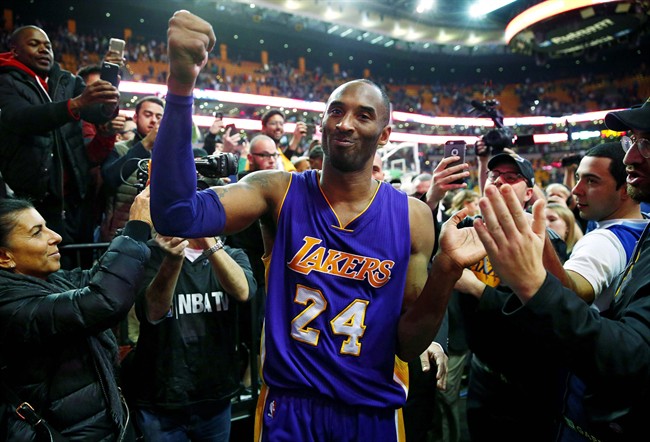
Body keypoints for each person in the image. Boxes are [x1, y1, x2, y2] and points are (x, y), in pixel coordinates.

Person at [149, 11, 484, 441]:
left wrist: (445, 272)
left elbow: (407, 343)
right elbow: (176, 214)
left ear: (384, 135)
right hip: (290, 408)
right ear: (322, 123)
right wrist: (180, 86)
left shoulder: (413, 216)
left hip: (372, 413)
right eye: (336, 111)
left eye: (363, 115)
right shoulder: (276, 190)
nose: (345, 123)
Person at [470, 97, 650, 441]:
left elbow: (569, 293)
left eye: (591, 181)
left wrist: (533, 276)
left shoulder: (606, 241)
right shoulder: (640, 229)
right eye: (578, 178)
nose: (576, 191)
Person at [0, 191, 152, 441]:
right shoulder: (8, 306)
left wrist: (146, 232)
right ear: (4, 256)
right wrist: (136, 230)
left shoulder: (48, 281)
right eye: (37, 232)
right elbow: (102, 301)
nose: (56, 237)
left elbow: (100, 279)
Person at [0, 25, 120, 265]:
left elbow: (97, 111)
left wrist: (109, 94)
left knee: (82, 264)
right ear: (14, 50)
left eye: (48, 45)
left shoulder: (66, 80)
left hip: (76, 196)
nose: (44, 50)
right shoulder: (5, 81)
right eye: (34, 44)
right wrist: (74, 105)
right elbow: (21, 118)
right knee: (45, 270)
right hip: (34, 200)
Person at [129, 217, 256, 441]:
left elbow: (243, 291)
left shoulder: (233, 255)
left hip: (215, 398)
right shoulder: (150, 255)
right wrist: (173, 259)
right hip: (162, 400)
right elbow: (153, 311)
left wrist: (208, 240)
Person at [100, 95, 164, 241]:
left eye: (159, 117)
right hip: (121, 234)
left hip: (157, 237)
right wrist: (146, 144)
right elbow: (110, 179)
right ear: (135, 118)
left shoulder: (169, 154)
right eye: (147, 115)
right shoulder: (119, 148)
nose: (153, 120)